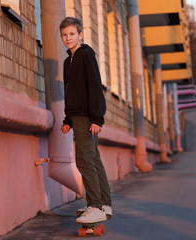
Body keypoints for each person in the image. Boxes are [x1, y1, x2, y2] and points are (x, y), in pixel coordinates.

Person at [59, 17, 112, 224]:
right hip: (78, 117)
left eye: (72, 34)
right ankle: (104, 204)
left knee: (84, 161)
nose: (68, 38)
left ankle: (95, 206)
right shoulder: (68, 61)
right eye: (64, 35)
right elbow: (71, 93)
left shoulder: (86, 55)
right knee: (94, 159)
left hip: (88, 118)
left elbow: (94, 86)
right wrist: (68, 120)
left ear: (80, 35)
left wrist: (97, 118)